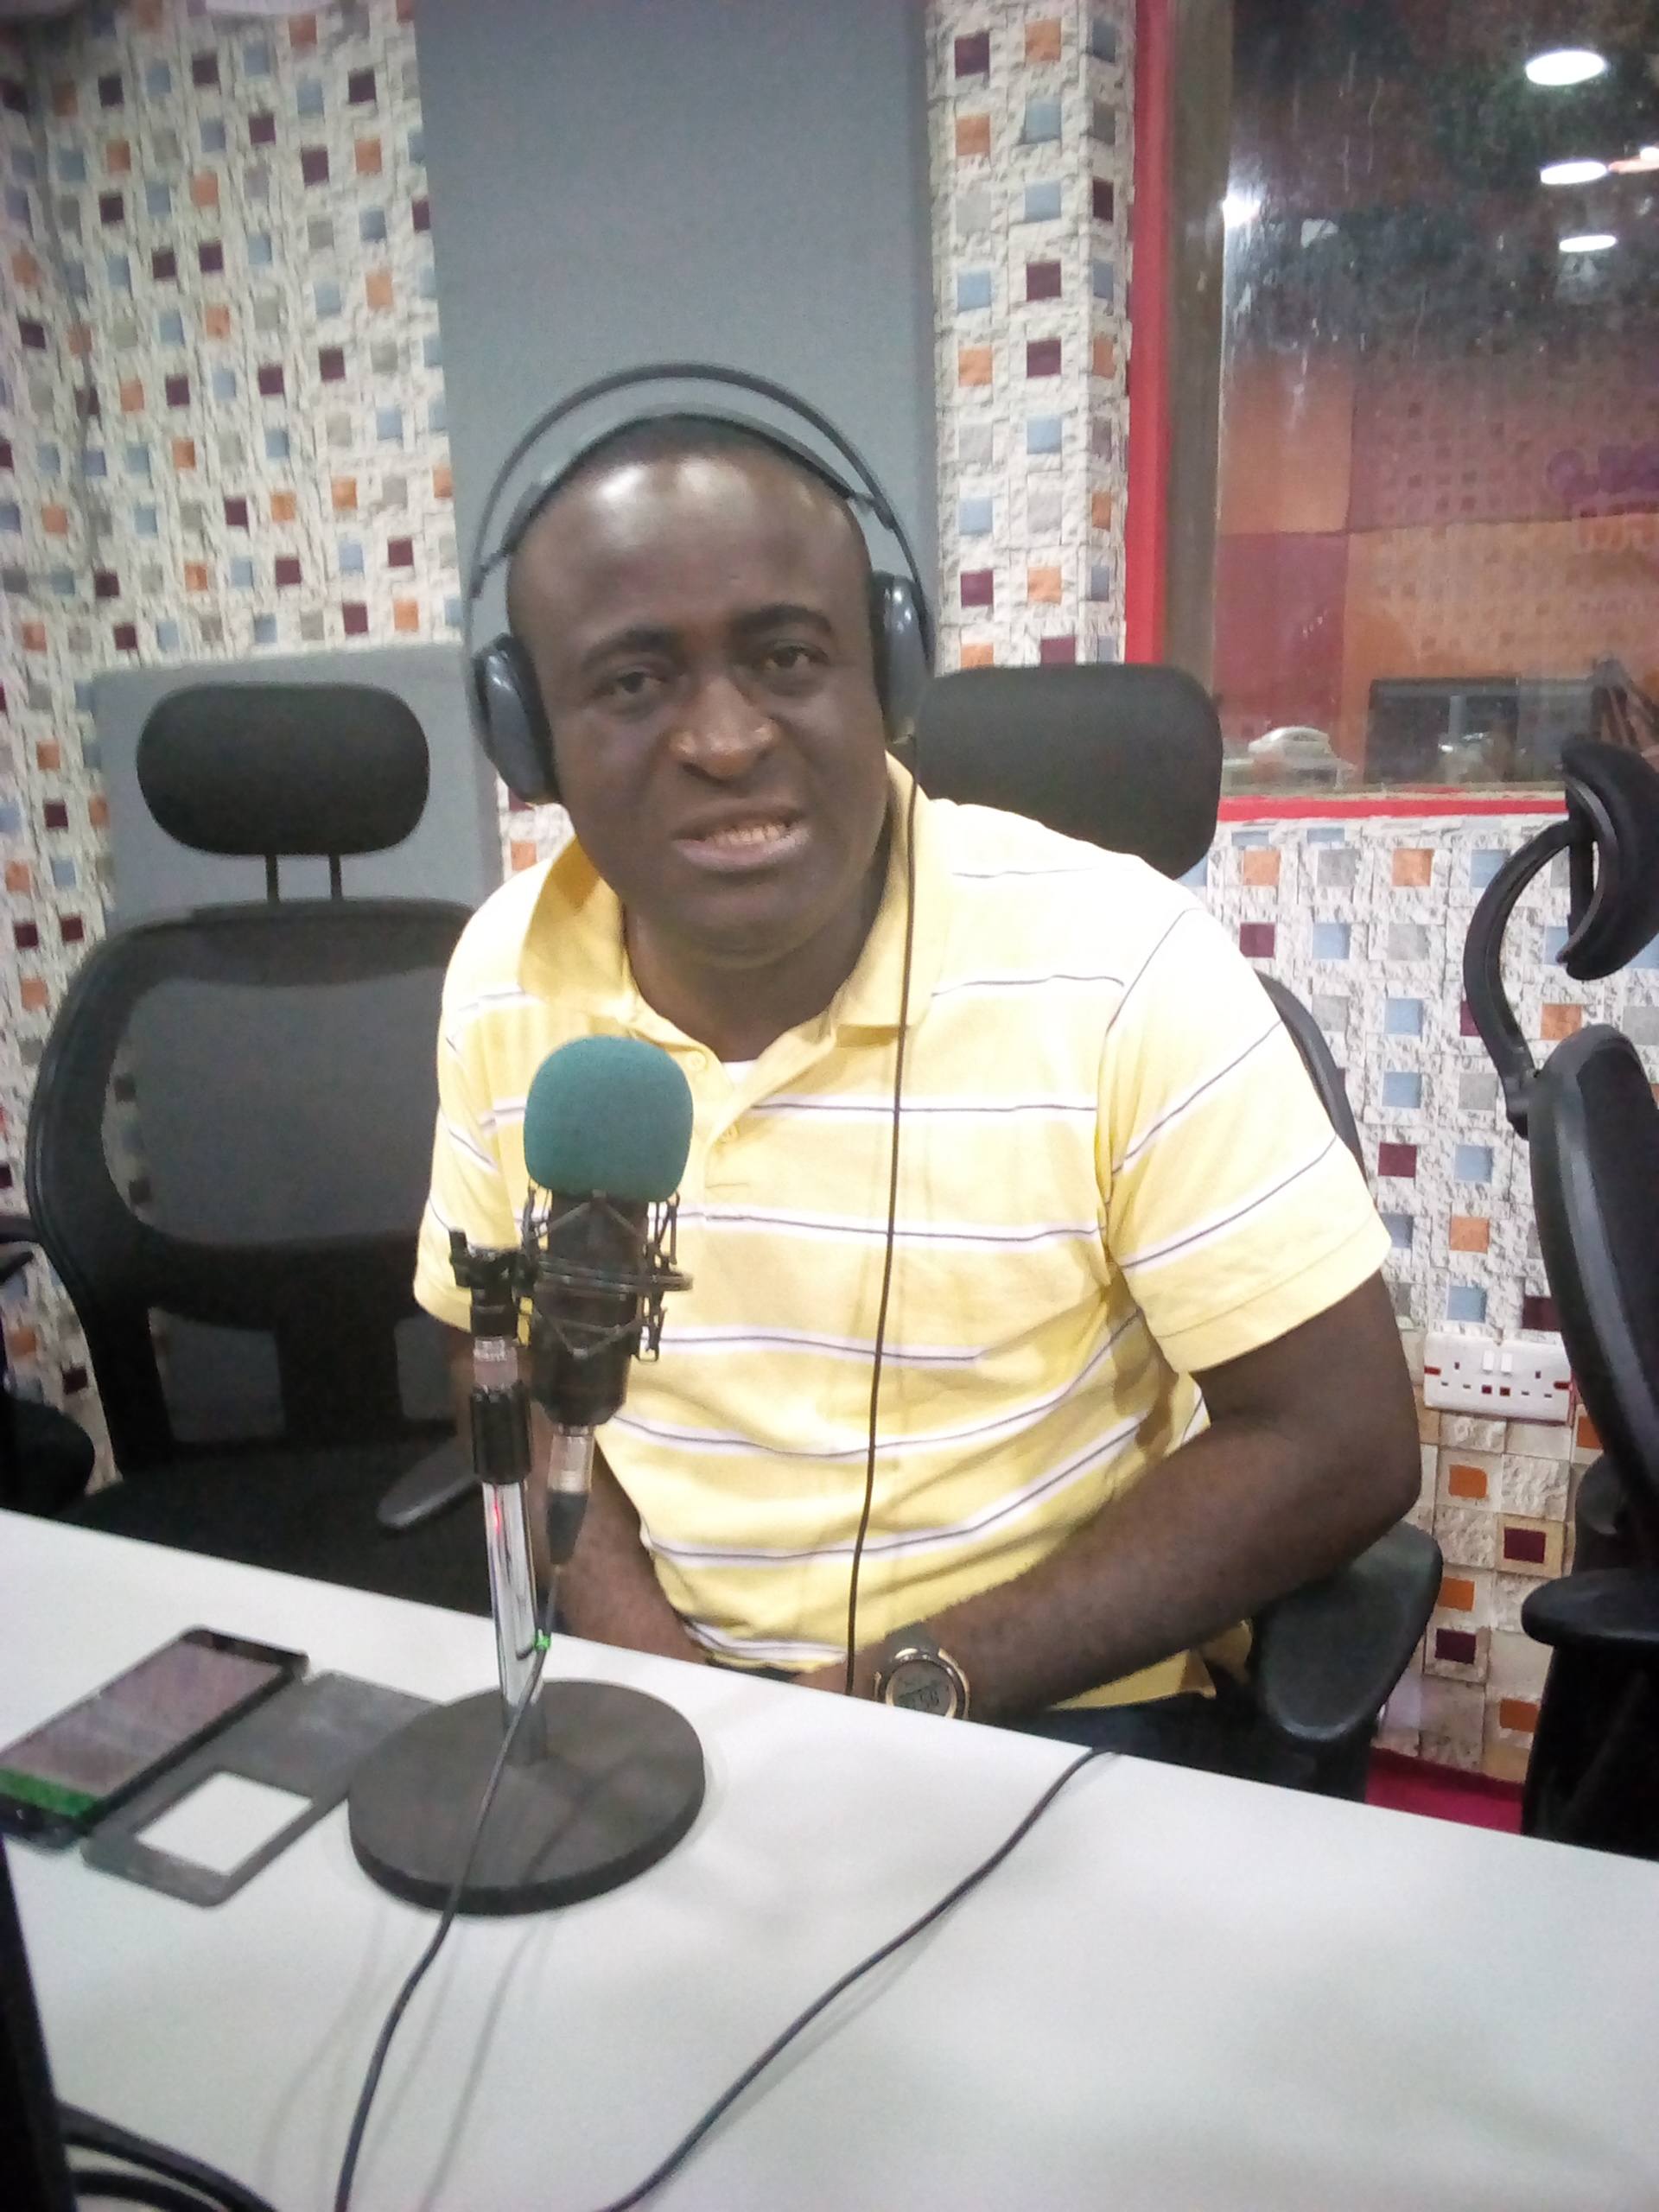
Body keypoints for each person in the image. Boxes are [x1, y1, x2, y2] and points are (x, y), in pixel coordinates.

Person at [415, 415, 1420, 1765]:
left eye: (786, 657)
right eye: (634, 682)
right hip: (670, 1699)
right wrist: (658, 1674)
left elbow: (1339, 1439)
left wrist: (910, 1684)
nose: (724, 739)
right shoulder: (505, 972)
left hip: (1040, 1705)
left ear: (885, 674)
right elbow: (496, 1355)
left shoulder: (1122, 964)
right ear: (529, 739)